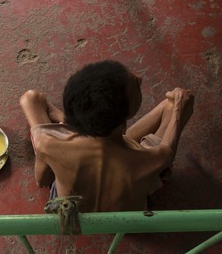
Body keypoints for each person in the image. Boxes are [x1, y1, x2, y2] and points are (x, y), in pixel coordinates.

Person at [19, 60, 194, 213]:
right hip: (124, 210)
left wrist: (64, 166)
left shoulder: (47, 145)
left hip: (73, 209)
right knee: (175, 105)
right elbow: (167, 151)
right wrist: (180, 106)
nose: (139, 78)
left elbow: (43, 180)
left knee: (30, 98)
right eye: (135, 85)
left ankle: (72, 122)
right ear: (123, 117)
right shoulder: (150, 160)